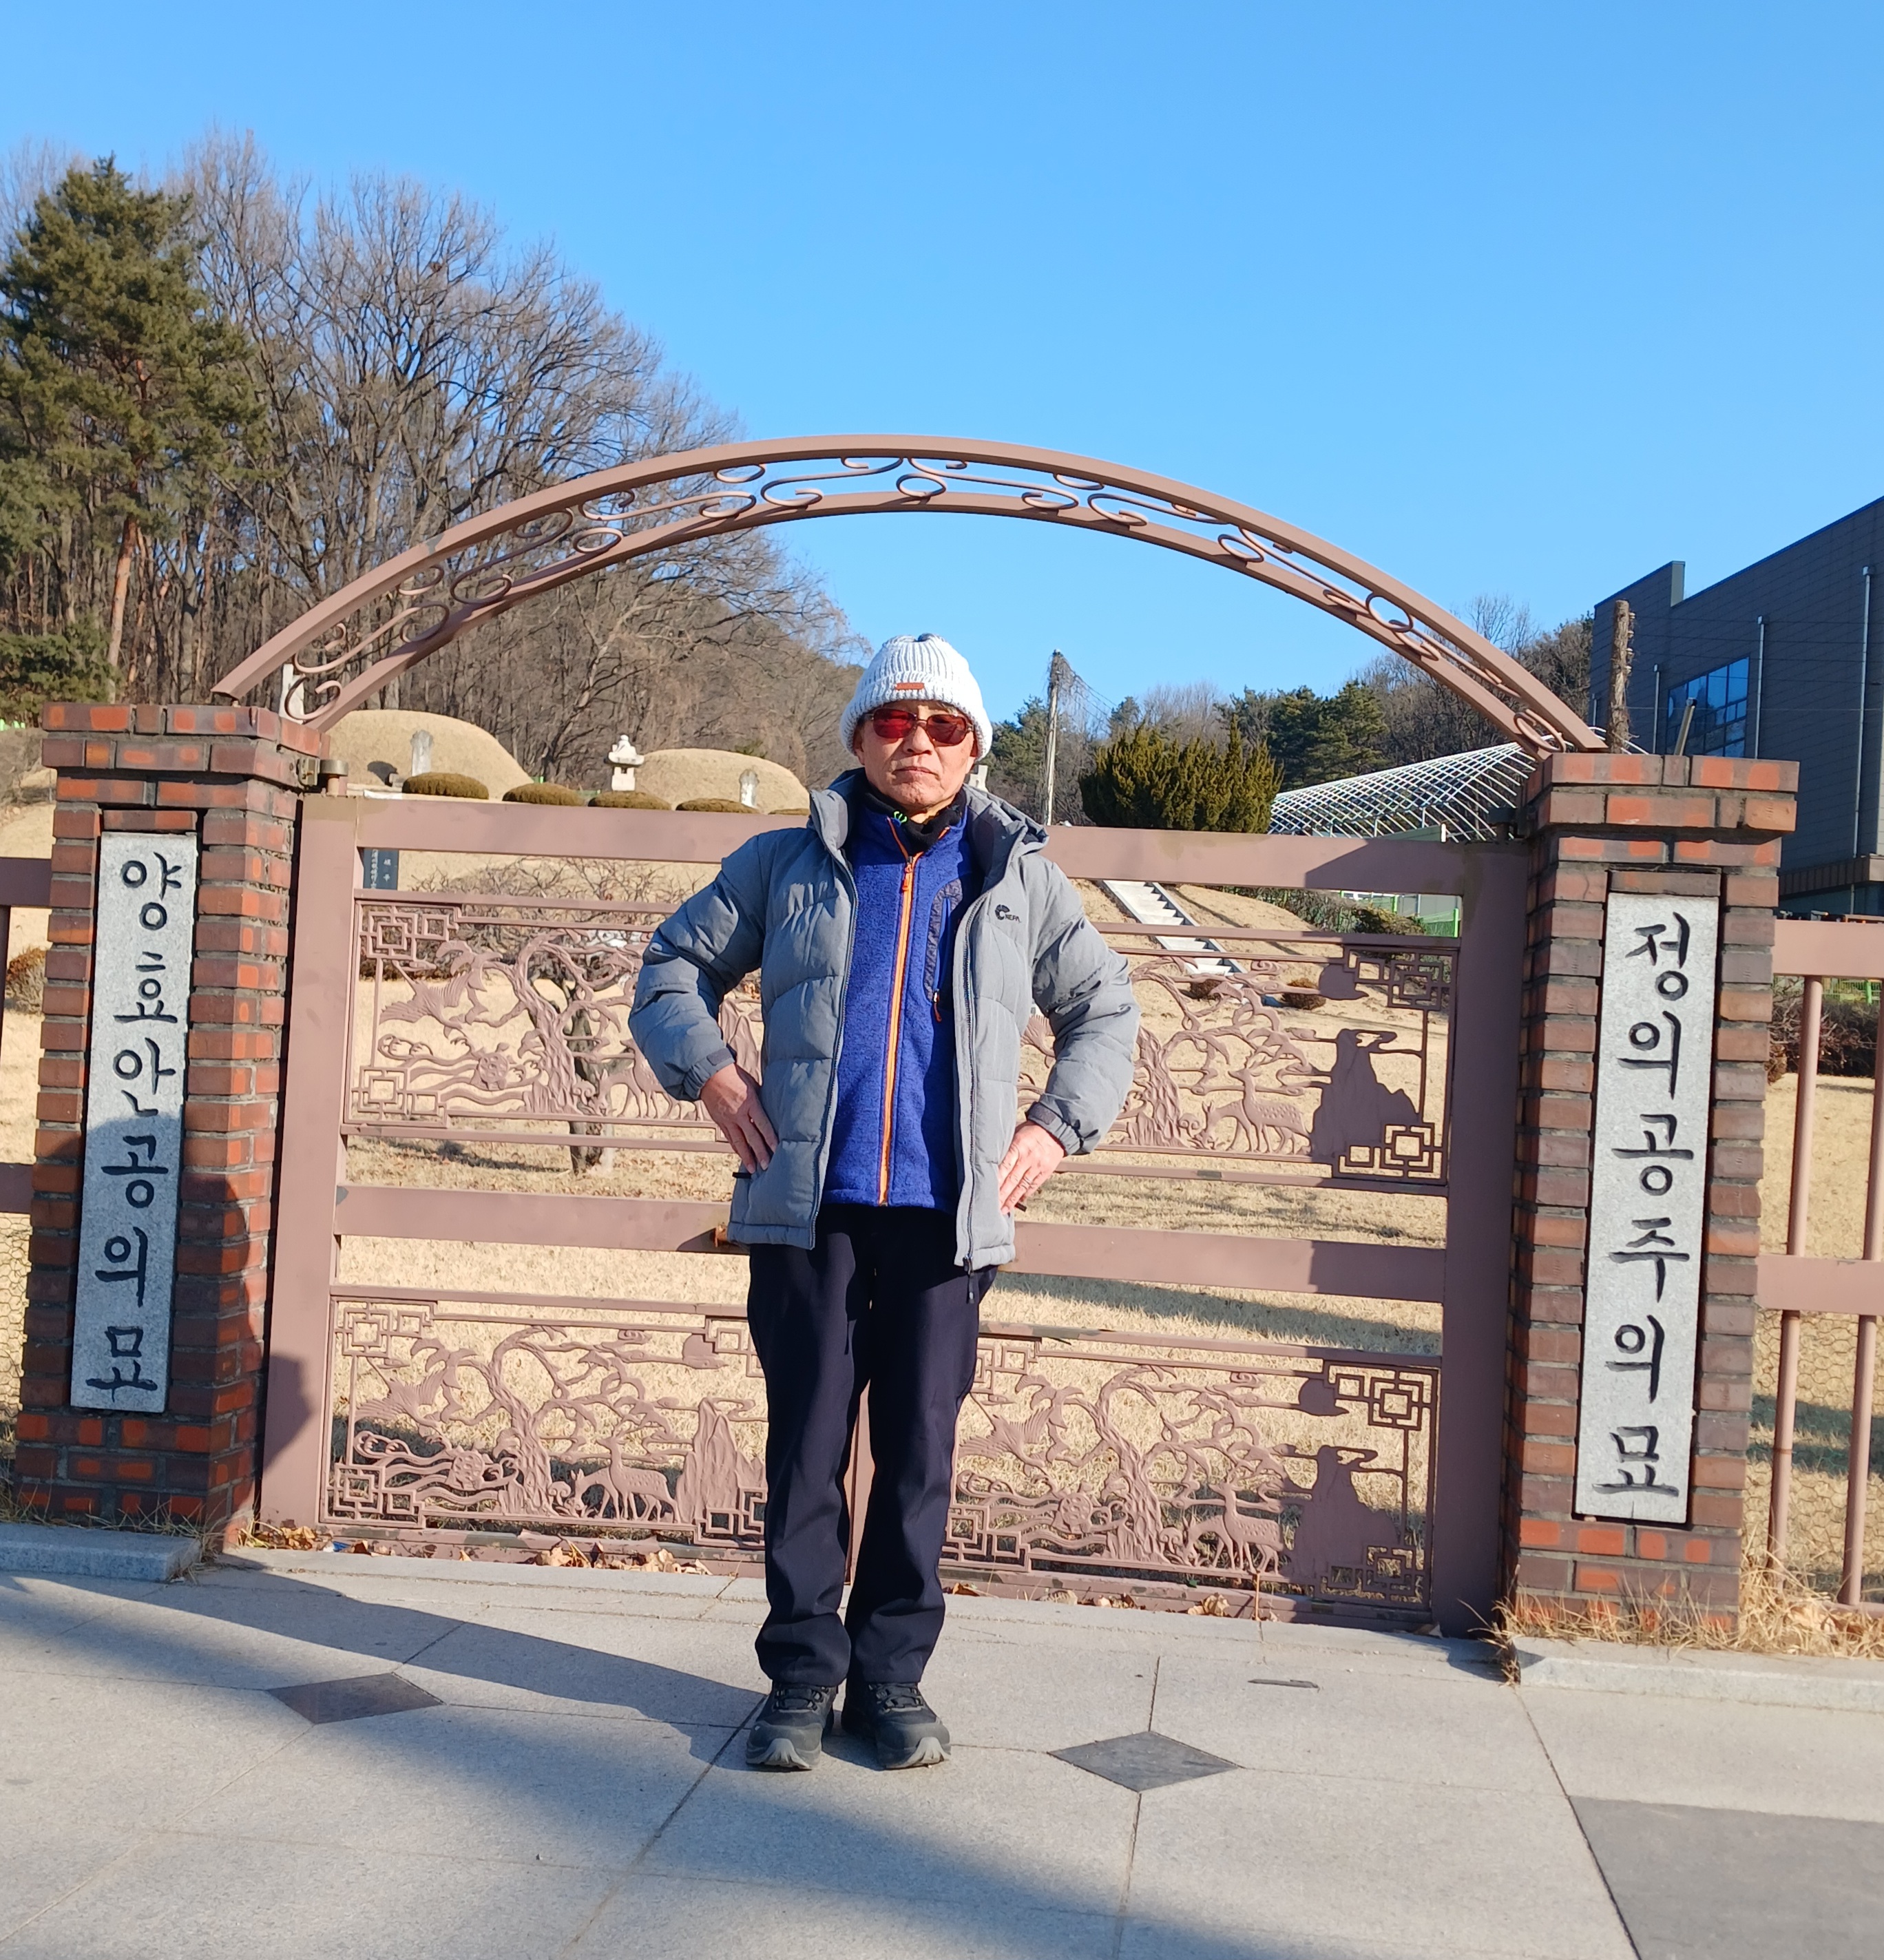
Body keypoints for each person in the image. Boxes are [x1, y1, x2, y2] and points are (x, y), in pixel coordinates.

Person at [629, 633, 1139, 1771]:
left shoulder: (1016, 878)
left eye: (943, 725)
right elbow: (670, 970)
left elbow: (1107, 1009)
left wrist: (1052, 1128)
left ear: (973, 747)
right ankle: (803, 1676)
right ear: (860, 736)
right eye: (895, 721)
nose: (918, 742)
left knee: (917, 1457)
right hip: (808, 1211)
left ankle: (892, 1678)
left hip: (946, 1220)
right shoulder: (785, 863)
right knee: (807, 1447)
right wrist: (715, 1076)